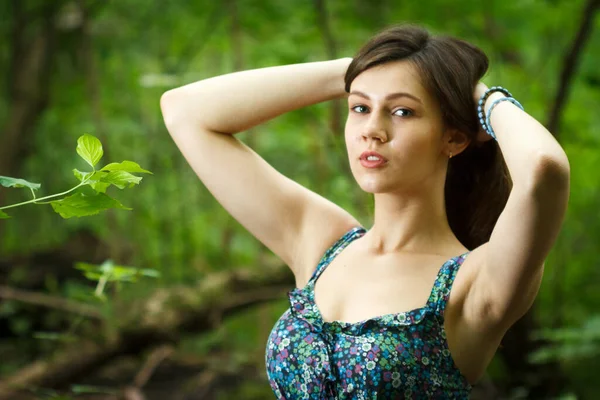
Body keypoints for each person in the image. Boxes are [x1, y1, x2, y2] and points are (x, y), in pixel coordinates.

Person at [160, 24, 570, 399]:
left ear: (455, 138)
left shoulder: (475, 283)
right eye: (359, 108)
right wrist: (359, 71)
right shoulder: (322, 243)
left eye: (402, 111)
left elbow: (543, 169)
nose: (371, 129)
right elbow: (185, 111)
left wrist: (479, 95)